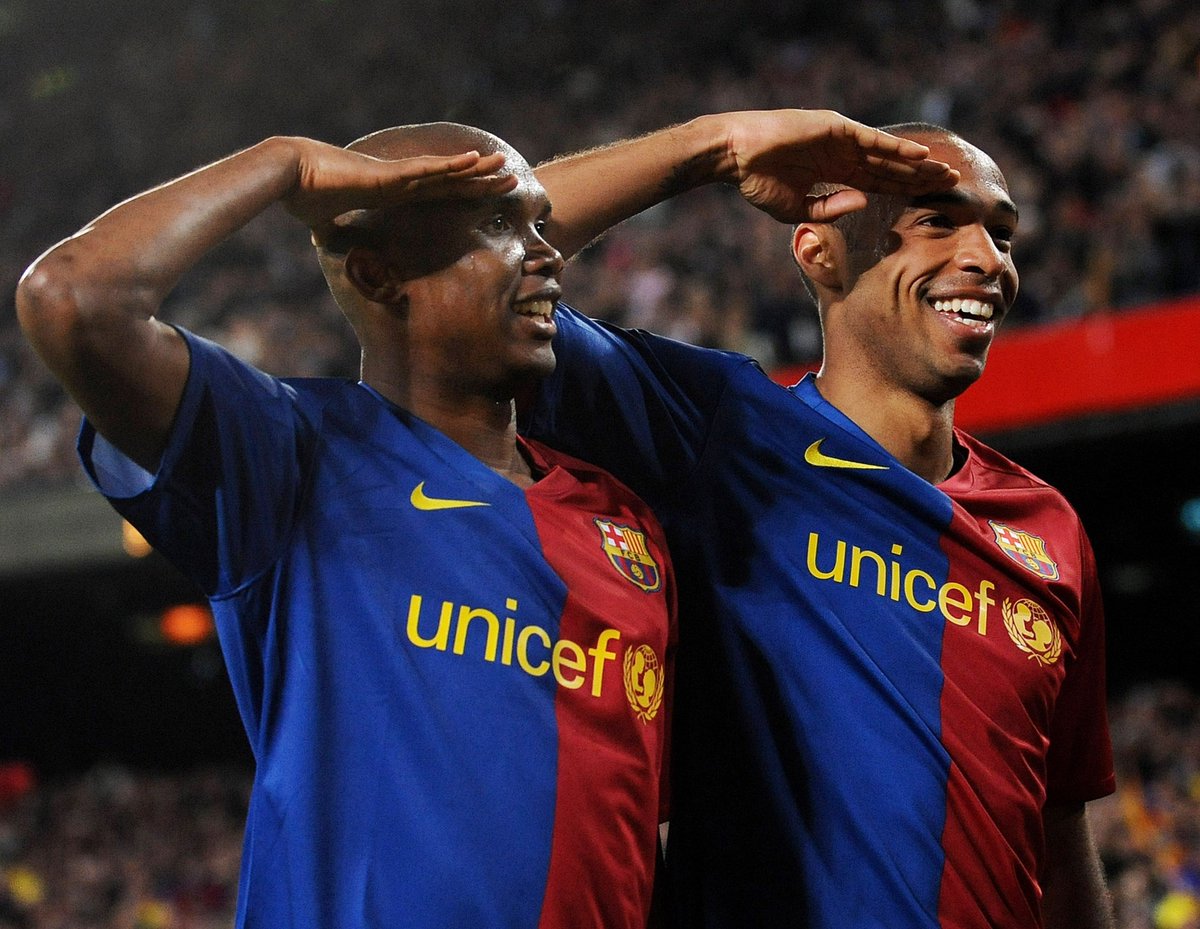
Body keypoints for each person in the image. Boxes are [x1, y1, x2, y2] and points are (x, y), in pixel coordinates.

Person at [16, 124, 691, 928]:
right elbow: (71, 299)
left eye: (540, 225)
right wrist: (285, 164)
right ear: (378, 275)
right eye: (499, 226)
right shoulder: (293, 457)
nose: (548, 254)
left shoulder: (623, 523)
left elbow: (642, 833)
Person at [520, 109, 1117, 928]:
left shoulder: (1049, 528)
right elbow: (469, 263)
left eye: (1003, 234)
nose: (988, 259)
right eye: (936, 222)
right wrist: (714, 146)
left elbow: (1058, 834)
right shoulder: (725, 437)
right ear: (819, 251)